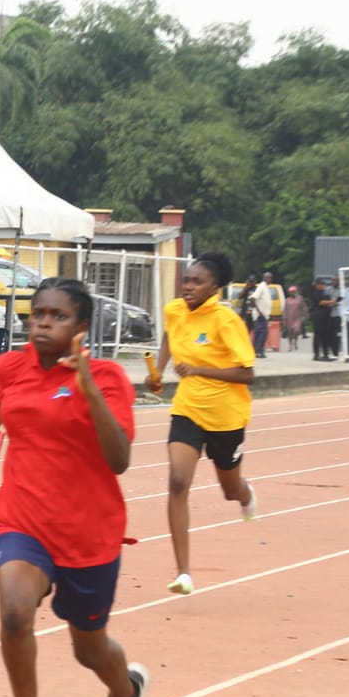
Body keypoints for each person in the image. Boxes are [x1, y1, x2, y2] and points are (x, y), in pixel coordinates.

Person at [0, 278, 146, 697]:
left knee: (89, 649)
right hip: (23, 518)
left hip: (88, 532)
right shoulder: (11, 367)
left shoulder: (108, 377)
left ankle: (124, 693)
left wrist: (87, 386)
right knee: (14, 611)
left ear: (81, 326)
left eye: (58, 316)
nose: (42, 323)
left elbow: (120, 459)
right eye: (37, 314)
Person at [148, 251, 258, 596]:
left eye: (198, 282)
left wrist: (198, 369)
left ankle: (245, 494)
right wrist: (158, 371)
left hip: (226, 417)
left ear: (215, 287)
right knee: (178, 482)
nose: (189, 286)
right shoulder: (175, 310)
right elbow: (170, 335)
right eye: (186, 280)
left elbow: (248, 374)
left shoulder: (226, 321)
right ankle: (184, 573)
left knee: (230, 490)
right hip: (188, 410)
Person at [309, 277, 339, 361]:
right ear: (316, 285)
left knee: (326, 336)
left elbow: (328, 301)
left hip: (326, 316)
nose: (322, 286)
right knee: (318, 336)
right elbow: (321, 302)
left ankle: (326, 354)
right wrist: (333, 301)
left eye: (323, 284)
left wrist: (333, 302)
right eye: (321, 284)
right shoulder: (315, 294)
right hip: (318, 317)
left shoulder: (324, 293)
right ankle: (316, 354)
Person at [282, 283, 305, 353]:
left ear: (296, 292)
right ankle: (290, 345)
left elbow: (303, 307)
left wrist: (304, 315)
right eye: (291, 292)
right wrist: (284, 318)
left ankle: (295, 341)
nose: (292, 293)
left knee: (296, 331)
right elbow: (285, 310)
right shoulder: (287, 300)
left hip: (297, 317)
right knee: (290, 333)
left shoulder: (300, 299)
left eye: (293, 292)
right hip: (289, 318)